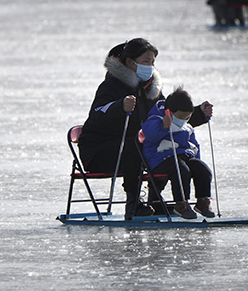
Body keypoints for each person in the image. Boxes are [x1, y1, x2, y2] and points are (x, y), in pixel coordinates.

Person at [78, 38, 211, 219]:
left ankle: (156, 202)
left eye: (153, 62)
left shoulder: (151, 89)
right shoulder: (111, 86)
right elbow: (97, 114)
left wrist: (198, 114)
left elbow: (168, 118)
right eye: (146, 62)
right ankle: (133, 204)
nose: (151, 66)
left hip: (134, 148)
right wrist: (120, 106)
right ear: (130, 62)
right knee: (137, 147)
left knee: (163, 146)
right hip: (99, 151)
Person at [141, 88, 215, 219]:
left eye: (187, 118)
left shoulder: (186, 127)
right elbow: (150, 135)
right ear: (169, 112)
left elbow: (194, 146)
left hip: (182, 157)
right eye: (181, 117)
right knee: (181, 170)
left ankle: (202, 201)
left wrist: (196, 162)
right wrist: (163, 126)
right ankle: (181, 203)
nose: (184, 120)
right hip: (160, 159)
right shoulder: (155, 120)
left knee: (202, 169)